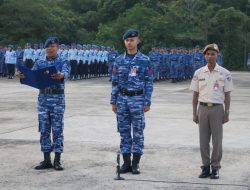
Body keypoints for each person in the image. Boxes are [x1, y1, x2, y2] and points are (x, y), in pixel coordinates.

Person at [16, 37, 70, 171]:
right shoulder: (39, 62)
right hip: (43, 99)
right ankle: (46, 159)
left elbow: (67, 73)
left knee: (57, 130)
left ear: (57, 47)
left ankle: (57, 160)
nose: (49, 49)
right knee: (44, 129)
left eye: (52, 46)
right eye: (47, 47)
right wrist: (23, 76)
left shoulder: (63, 61)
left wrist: (61, 75)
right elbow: (32, 76)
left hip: (57, 99)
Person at [110, 29, 154, 175]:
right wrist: (113, 101)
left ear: (138, 41)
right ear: (124, 42)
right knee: (124, 132)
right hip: (122, 100)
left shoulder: (145, 60)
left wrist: (147, 101)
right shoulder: (118, 60)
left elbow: (149, 82)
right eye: (127, 40)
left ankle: (135, 164)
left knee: (138, 132)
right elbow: (115, 82)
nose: (129, 42)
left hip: (138, 99)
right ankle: (126, 163)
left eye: (132, 40)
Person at [190, 43, 233, 179]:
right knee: (203, 141)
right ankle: (205, 167)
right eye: (207, 54)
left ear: (217, 55)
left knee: (217, 141)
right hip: (202, 108)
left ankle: (215, 168)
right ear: (204, 56)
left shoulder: (224, 73)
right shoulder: (198, 73)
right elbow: (195, 95)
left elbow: (227, 95)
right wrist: (194, 112)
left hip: (217, 109)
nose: (210, 56)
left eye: (213, 54)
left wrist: (227, 113)